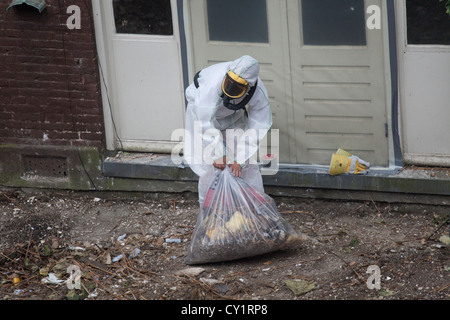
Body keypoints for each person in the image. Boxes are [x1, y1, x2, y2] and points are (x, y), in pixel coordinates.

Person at [183, 55, 272, 208]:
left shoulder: (258, 93)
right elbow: (205, 122)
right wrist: (217, 153)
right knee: (208, 164)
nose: (231, 88)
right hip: (201, 111)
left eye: (237, 87)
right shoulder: (211, 85)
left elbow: (258, 126)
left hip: (233, 114)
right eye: (229, 84)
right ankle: (210, 211)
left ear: (248, 87)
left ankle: (256, 209)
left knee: (247, 164)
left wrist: (240, 159)